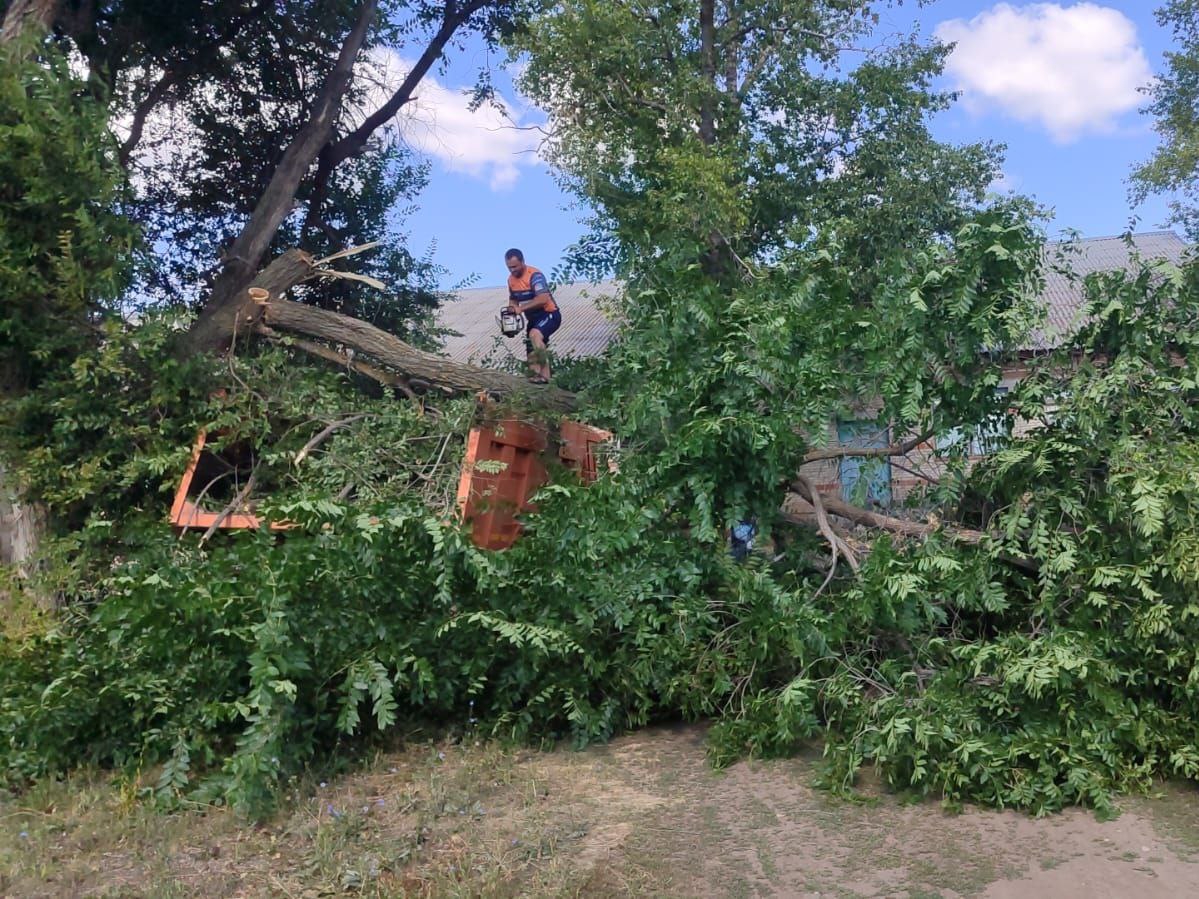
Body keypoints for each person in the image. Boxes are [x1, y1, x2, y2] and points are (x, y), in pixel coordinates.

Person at [505, 248, 561, 384]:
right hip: (533, 319)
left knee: (535, 335)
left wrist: (521, 309)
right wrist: (510, 317)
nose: (512, 270)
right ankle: (534, 380)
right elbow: (513, 300)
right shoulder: (511, 280)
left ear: (522, 262)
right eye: (509, 267)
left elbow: (542, 298)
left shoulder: (534, 275)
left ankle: (546, 377)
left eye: (515, 266)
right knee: (531, 349)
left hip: (549, 314)